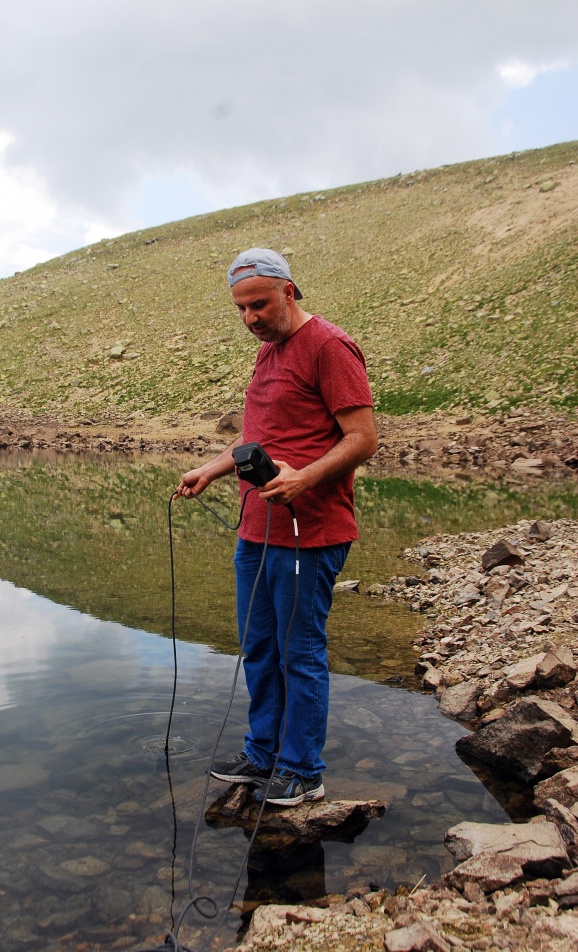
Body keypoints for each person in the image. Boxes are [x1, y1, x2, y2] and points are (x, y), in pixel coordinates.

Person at [176, 248, 376, 805]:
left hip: (308, 532)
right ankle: (261, 753)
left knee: (299, 651)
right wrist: (212, 470)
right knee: (258, 645)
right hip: (256, 529)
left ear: (289, 291)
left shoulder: (329, 346)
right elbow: (257, 439)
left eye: (259, 305)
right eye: (240, 309)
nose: (250, 319)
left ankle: (302, 770)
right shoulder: (268, 352)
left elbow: (363, 439)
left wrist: (303, 479)